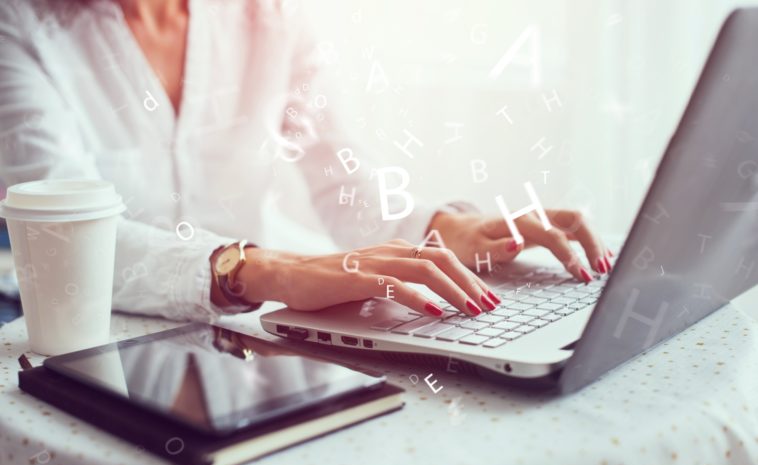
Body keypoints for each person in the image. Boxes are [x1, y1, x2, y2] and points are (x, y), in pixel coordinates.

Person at [0, 0, 612, 323]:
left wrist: (440, 226)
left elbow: (341, 176)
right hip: (72, 333)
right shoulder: (18, 22)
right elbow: (60, 236)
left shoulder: (270, 14)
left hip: (243, 329)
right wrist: (270, 271)